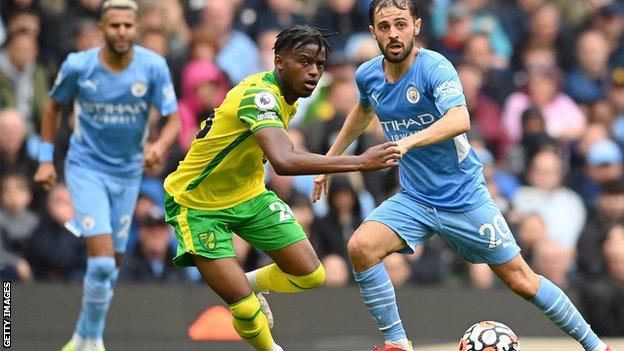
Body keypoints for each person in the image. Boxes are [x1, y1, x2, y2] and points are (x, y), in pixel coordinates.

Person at [312, 1, 614, 351]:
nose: (393, 33)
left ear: (417, 26)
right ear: (373, 33)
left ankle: (596, 346)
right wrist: (330, 161)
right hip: (414, 198)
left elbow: (460, 119)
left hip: (463, 198)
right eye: (384, 26)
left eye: (400, 24)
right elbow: (363, 109)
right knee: (361, 247)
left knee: (522, 280)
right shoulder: (368, 74)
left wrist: (407, 142)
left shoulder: (435, 67)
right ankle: (396, 343)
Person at [163, 25, 401, 351]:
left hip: (248, 194)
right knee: (246, 308)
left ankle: (244, 282)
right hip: (197, 202)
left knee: (310, 275)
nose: (314, 71)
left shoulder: (289, 98)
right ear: (278, 61)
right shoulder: (259, 96)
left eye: (319, 64)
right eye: (304, 62)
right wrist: (359, 161)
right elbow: (283, 162)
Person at [32, 1, 181, 350]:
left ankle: (83, 336)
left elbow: (173, 119)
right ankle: (94, 341)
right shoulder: (78, 66)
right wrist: (44, 159)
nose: (122, 32)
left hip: (128, 173)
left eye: (128, 26)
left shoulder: (153, 66)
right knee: (100, 264)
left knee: (111, 263)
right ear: (102, 29)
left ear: (137, 28)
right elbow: (53, 107)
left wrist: (159, 146)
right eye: (114, 26)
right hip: (87, 169)